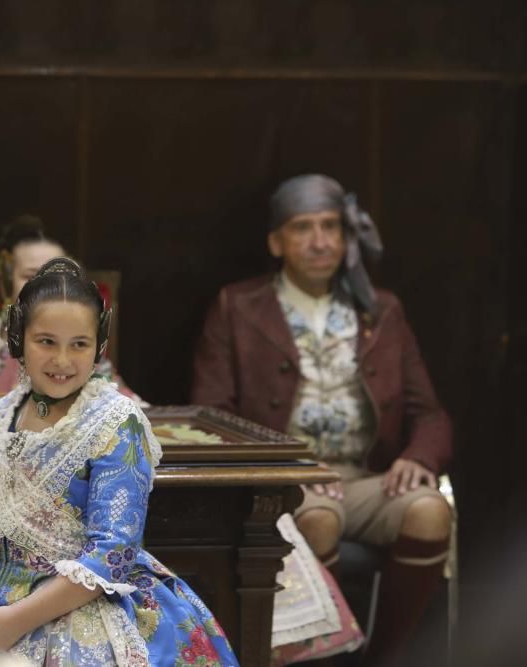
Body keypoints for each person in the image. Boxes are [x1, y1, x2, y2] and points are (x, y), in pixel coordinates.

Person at [0, 258, 238, 666]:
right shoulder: (1, 415)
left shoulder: (117, 422)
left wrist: (17, 620)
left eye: (79, 344)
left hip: (85, 601)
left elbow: (113, 554)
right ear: (19, 338)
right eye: (46, 341)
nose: (62, 361)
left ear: (99, 345)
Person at [191, 174, 453, 666]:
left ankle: (383, 656)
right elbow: (210, 413)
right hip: (284, 481)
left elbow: (430, 412)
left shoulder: (382, 309)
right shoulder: (237, 306)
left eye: (331, 227)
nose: (320, 241)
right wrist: (286, 467)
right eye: (304, 228)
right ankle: (319, 661)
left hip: (364, 477)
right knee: (318, 519)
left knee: (430, 510)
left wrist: (419, 456)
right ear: (276, 242)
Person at [0, 214, 139, 400]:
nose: (44, 285)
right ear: (6, 280)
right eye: (30, 276)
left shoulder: (80, 341)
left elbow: (130, 407)